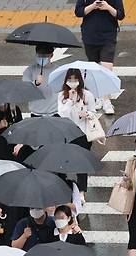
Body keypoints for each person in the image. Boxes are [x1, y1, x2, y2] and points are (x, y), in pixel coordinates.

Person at [75, 0, 125, 115]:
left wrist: (108, 7)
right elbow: (78, 12)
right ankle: (98, 97)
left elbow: (120, 15)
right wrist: (92, 6)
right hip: (90, 36)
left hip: (108, 36)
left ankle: (106, 100)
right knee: (95, 68)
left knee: (107, 68)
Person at [57, 68, 97, 201]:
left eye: (75, 79)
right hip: (67, 133)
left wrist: (87, 114)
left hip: (83, 134)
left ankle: (81, 191)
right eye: (70, 79)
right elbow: (62, 114)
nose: (73, 82)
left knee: (82, 163)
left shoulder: (87, 95)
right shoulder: (62, 96)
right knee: (64, 161)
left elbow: (93, 112)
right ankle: (64, 187)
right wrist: (70, 101)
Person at [22, 45, 59, 117]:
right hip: (36, 113)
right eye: (40, 55)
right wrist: (35, 83)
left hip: (54, 113)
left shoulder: (57, 70)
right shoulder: (30, 70)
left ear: (51, 55)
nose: (42, 57)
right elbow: (24, 89)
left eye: (45, 55)